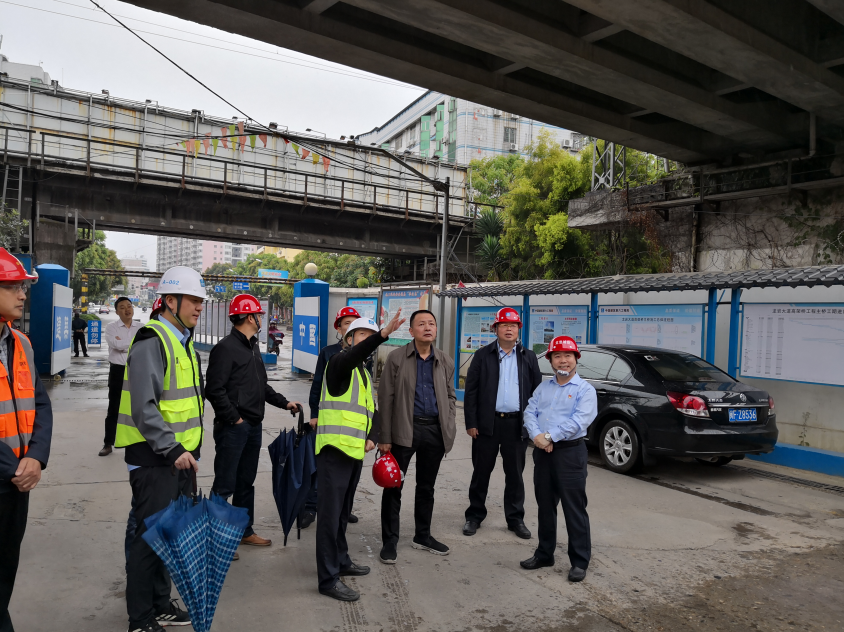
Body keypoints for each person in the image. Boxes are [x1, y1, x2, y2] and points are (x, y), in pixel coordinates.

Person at [116, 266, 207, 632]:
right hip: (155, 459)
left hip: (178, 459)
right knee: (148, 541)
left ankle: (159, 604)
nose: (199, 307)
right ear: (170, 301)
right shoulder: (152, 340)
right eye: (193, 300)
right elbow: (144, 407)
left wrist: (187, 452)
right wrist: (172, 449)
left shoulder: (183, 342)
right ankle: (140, 620)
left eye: (201, 301)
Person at [315, 311, 405, 602]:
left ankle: (341, 560)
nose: (367, 340)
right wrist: (382, 335)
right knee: (329, 517)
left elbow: (372, 412)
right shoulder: (338, 365)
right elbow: (354, 355)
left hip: (353, 453)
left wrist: (373, 437)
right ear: (348, 339)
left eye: (370, 335)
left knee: (342, 514)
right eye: (362, 335)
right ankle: (328, 579)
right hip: (333, 452)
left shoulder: (363, 375)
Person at [206, 294, 302, 552]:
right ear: (250, 317)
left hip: (253, 426)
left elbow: (262, 387)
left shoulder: (252, 347)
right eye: (259, 315)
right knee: (225, 484)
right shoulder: (225, 348)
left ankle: (243, 531)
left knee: (245, 482)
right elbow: (214, 390)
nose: (261, 319)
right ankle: (215, 540)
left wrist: (285, 403)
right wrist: (235, 419)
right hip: (233, 428)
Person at [377, 310, 456, 565]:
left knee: (426, 487)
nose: (428, 327)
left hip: (434, 431)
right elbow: (385, 398)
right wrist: (384, 436)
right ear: (411, 331)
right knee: (393, 487)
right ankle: (390, 541)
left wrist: (449, 423)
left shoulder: (444, 360)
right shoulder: (396, 358)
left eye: (431, 323)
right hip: (404, 430)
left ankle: (422, 535)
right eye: (421, 324)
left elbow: (450, 395)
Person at [0, 249, 52, 632]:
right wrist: (15, 467)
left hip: (19, 483)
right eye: (13, 286)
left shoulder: (22, 343)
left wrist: (36, 456)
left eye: (23, 286)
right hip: (11, 474)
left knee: (5, 571)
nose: (22, 294)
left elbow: (41, 403)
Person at [520, 336, 597, 583]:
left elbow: (579, 421)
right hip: (543, 452)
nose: (563, 360)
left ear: (576, 359)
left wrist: (549, 436)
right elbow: (530, 412)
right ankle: (544, 554)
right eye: (557, 356)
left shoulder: (585, 390)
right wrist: (538, 437)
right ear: (551, 361)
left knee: (574, 508)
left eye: (568, 356)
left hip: (570, 454)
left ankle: (579, 561)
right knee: (545, 505)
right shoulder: (543, 388)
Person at [463, 307, 542, 539]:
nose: (509, 329)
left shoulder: (528, 357)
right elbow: (471, 391)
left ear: (519, 329)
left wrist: (533, 426)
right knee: (481, 472)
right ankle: (474, 516)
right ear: (495, 329)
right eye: (504, 325)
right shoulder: (482, 355)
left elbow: (537, 393)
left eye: (513, 325)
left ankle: (515, 519)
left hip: (516, 425)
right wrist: (471, 422)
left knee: (515, 475)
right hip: (487, 424)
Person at [302, 306, 362, 529]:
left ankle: (344, 509)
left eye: (355, 323)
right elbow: (317, 384)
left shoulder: (363, 354)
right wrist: (314, 414)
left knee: (348, 470)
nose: (351, 326)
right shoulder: (328, 353)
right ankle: (311, 507)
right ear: (339, 328)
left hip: (351, 424)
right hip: (328, 421)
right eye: (347, 323)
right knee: (321, 468)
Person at [100, 297, 143, 457]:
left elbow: (143, 347)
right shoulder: (111, 327)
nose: (127, 310)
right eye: (122, 307)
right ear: (117, 311)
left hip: (137, 370)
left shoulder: (141, 327)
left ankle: (139, 442)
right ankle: (108, 443)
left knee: (140, 407)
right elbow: (116, 345)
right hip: (118, 371)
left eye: (129, 306)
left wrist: (124, 343)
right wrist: (134, 343)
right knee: (114, 408)